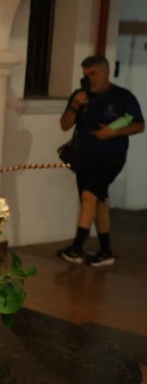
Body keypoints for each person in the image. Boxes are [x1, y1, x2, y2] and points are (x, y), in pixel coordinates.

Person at [57, 55, 144, 267]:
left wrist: (113, 133)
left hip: (110, 157)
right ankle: (105, 251)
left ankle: (77, 247)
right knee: (100, 202)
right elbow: (65, 125)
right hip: (84, 157)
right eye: (86, 75)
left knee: (89, 196)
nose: (90, 78)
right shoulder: (81, 96)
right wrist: (75, 106)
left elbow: (140, 125)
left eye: (93, 74)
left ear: (106, 72)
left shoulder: (122, 96)